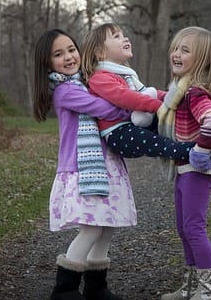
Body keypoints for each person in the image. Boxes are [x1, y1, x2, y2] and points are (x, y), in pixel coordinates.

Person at [33, 28, 136, 300]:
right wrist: (130, 107)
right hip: (82, 168)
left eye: (71, 49)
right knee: (91, 226)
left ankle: (96, 286)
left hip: (106, 164)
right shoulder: (66, 91)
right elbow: (104, 109)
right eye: (58, 54)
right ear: (48, 63)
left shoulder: (85, 82)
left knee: (107, 224)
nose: (68, 57)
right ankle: (64, 289)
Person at [157, 26, 211, 300]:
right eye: (176, 48)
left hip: (197, 169)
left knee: (193, 228)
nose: (176, 54)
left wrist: (202, 151)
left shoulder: (196, 93)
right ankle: (191, 287)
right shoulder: (180, 90)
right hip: (185, 168)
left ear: (203, 60)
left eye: (185, 50)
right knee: (183, 228)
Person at [80, 23, 211, 170]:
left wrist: (175, 98)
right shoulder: (99, 77)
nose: (125, 39)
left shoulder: (126, 74)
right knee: (158, 143)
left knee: (176, 123)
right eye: (117, 37)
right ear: (100, 53)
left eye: (123, 35)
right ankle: (192, 151)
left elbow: (149, 91)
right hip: (118, 134)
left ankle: (206, 137)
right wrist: (158, 107)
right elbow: (126, 97)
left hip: (134, 124)